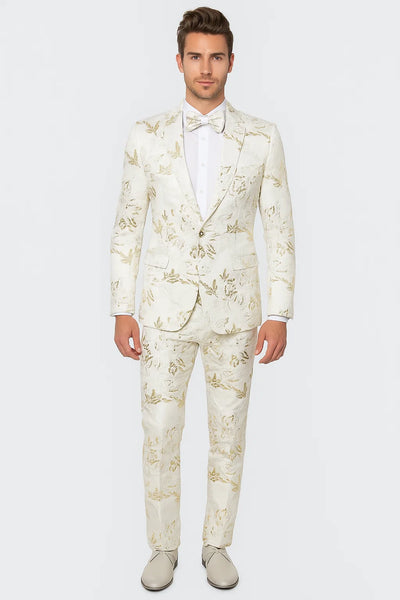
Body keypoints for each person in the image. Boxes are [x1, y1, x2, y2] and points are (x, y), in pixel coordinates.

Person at [110, 6, 295, 591]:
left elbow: (279, 229)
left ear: (231, 62)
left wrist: (278, 312)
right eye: (196, 56)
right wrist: (121, 307)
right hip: (162, 311)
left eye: (216, 57)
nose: (206, 68)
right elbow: (128, 224)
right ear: (179, 61)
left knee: (229, 432)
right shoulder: (146, 136)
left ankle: (216, 545)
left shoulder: (262, 138)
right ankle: (163, 547)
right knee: (159, 431)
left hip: (236, 314)